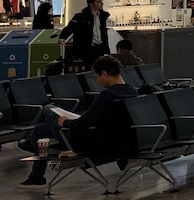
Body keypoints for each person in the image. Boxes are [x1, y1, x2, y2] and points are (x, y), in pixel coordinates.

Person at [19, 56, 136, 188]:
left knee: (47, 109)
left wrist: (66, 123)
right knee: (40, 129)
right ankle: (36, 173)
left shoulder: (107, 95)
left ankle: (31, 146)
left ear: (104, 73)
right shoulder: (132, 90)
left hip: (85, 141)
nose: (97, 81)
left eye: (97, 76)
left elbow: (83, 123)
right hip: (114, 140)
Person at [59, 0, 111, 68]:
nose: (101, 4)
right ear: (91, 3)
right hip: (87, 50)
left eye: (101, 2)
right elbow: (70, 28)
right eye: (98, 2)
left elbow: (104, 34)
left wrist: (106, 50)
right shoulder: (81, 16)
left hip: (100, 49)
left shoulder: (102, 16)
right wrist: (62, 37)